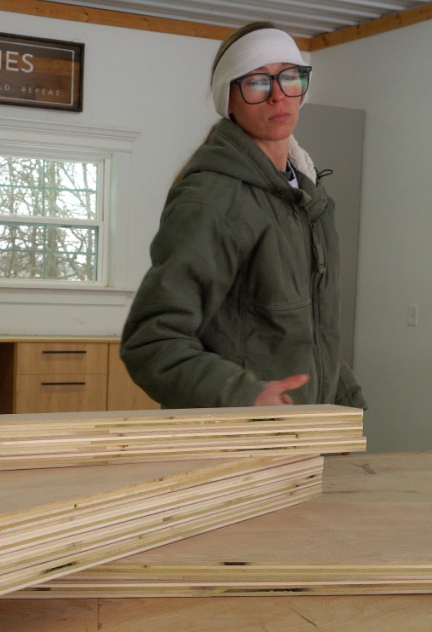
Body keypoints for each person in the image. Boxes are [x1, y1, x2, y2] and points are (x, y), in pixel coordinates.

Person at [120, 22, 366, 410]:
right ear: (229, 99)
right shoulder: (212, 199)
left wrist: (348, 406)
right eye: (257, 82)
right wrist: (246, 396)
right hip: (239, 435)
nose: (277, 96)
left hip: (304, 430)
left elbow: (312, 335)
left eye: (290, 77)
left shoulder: (309, 197)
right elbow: (152, 343)